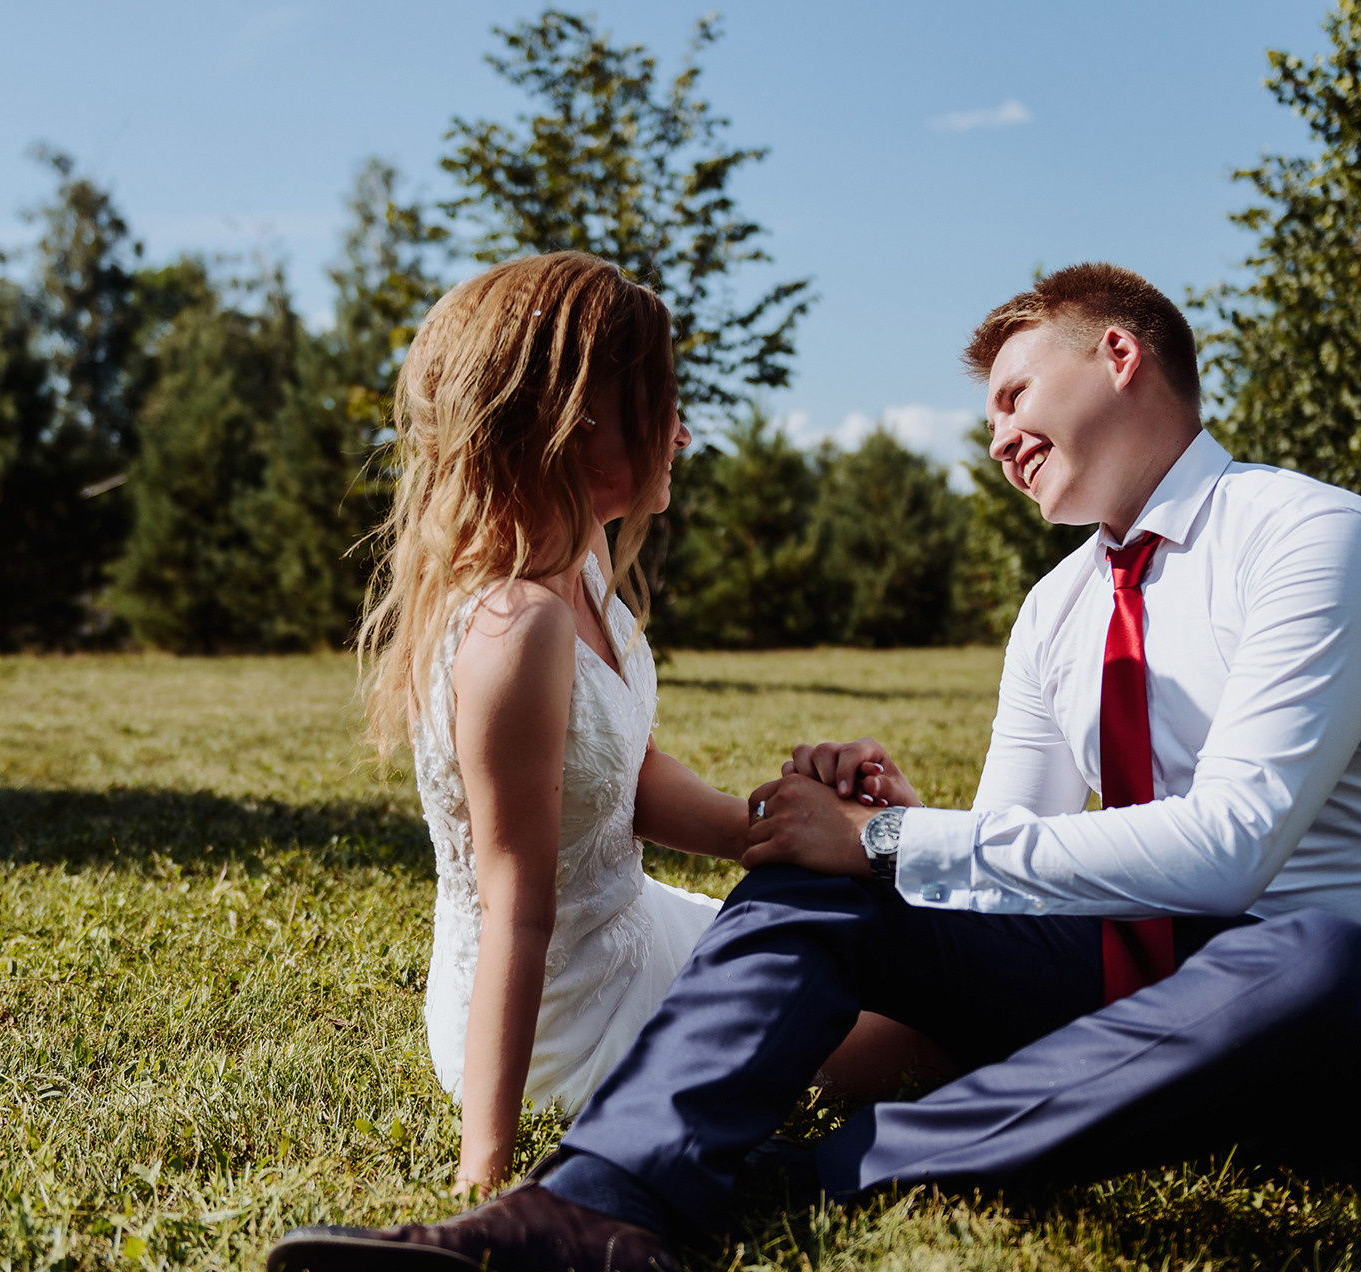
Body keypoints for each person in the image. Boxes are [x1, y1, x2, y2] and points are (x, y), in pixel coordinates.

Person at [269, 262, 1361, 1272]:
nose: (995, 436)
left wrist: (892, 844)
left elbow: (1232, 849)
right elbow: (1000, 865)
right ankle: (600, 1202)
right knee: (812, 874)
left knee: (1310, 954)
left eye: (1013, 395)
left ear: (1117, 356)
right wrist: (873, 829)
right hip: (1122, 979)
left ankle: (794, 1177)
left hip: (1342, 1014)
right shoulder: (1055, 612)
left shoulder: (1312, 538)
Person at [355, 251, 933, 1197]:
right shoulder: (515, 627)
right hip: (561, 1014)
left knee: (883, 965)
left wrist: (777, 826)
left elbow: (626, 772)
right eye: (661, 405)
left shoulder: (581, 575)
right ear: (578, 424)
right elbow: (517, 907)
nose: (685, 434)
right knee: (920, 1043)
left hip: (633, 924)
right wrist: (485, 1171)